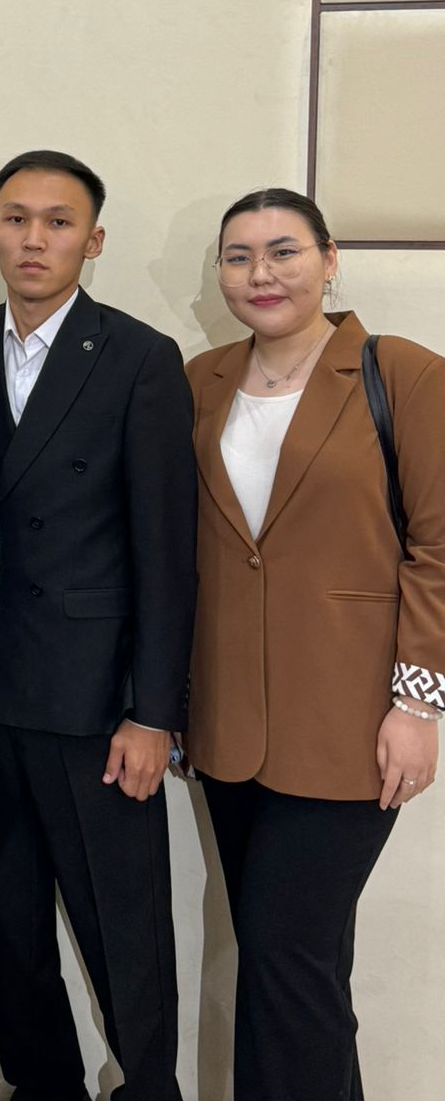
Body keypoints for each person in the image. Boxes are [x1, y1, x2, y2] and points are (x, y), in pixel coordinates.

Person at [0, 149, 197, 1101]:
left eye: (57, 221)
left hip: (95, 705)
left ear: (94, 241)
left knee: (124, 925)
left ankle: (150, 1087)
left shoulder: (138, 357)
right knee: (8, 928)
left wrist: (152, 711)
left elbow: (167, 552)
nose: (33, 239)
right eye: (16, 218)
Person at [185, 186, 445, 1101]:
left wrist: (419, 704)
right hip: (227, 722)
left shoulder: (402, 372)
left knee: (286, 954)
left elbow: (438, 547)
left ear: (329, 261)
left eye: (284, 251)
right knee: (301, 961)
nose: (261, 273)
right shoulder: (200, 381)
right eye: (239, 256)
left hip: (351, 723)